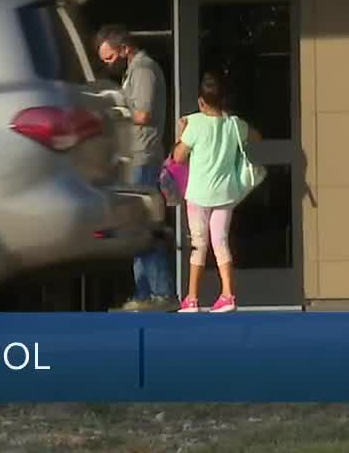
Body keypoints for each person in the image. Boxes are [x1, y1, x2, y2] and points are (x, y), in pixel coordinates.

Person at [96, 25, 177, 312]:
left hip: (143, 157)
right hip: (134, 158)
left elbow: (142, 114)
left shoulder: (143, 70)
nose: (108, 64)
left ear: (125, 48)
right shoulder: (133, 71)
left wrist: (112, 110)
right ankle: (144, 293)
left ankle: (161, 292)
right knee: (135, 227)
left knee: (143, 227)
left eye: (110, 58)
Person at [172, 73, 261, 313]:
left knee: (199, 245)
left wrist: (181, 133)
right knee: (220, 241)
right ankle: (228, 295)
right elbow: (256, 137)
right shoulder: (235, 124)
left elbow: (178, 157)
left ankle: (192, 299)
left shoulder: (195, 124)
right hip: (225, 194)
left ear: (201, 101)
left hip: (199, 194)